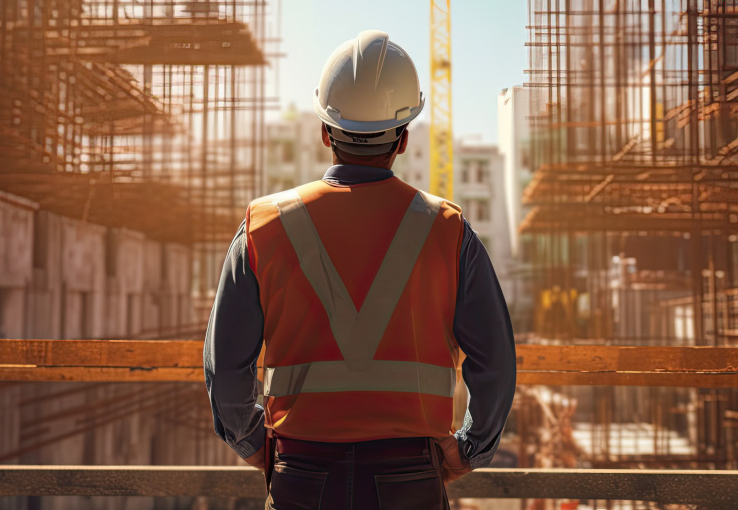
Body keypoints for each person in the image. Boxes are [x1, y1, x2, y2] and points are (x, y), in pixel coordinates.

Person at [205, 30, 516, 510]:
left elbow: (225, 365)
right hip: (410, 476)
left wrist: (255, 444)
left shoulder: (262, 228)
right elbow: (494, 360)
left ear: (325, 133)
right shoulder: (449, 231)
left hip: (300, 473)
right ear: (405, 139)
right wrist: (470, 447)